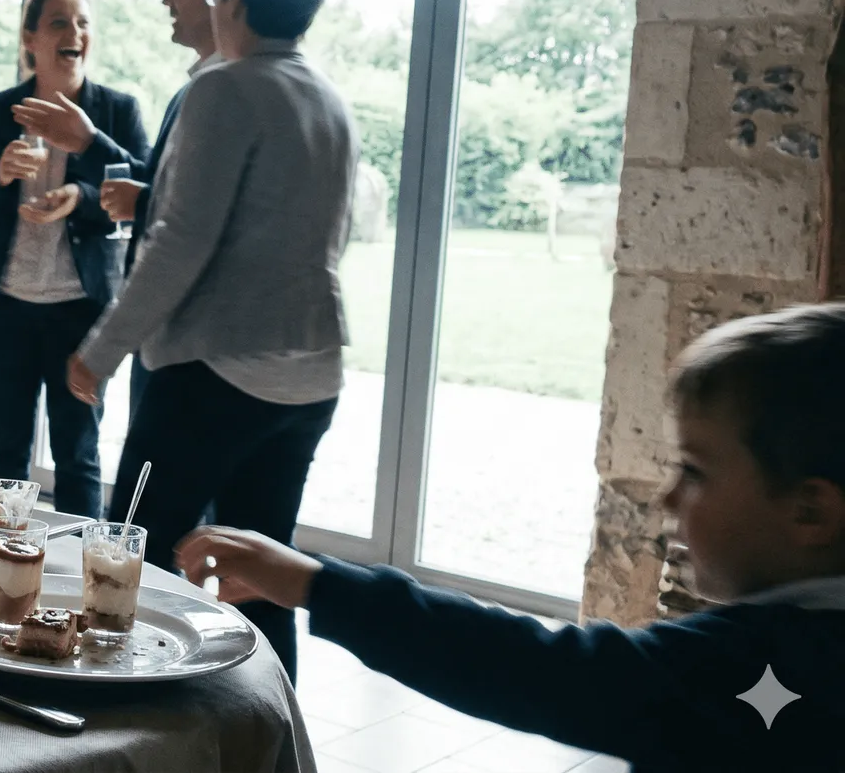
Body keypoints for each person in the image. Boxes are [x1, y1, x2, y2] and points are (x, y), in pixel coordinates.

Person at [178, 303, 845, 770]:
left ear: (810, 511)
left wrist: (313, 582)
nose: (669, 496)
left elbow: (540, 668)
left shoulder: (753, 663)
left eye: (694, 470)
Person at [67, 0, 355, 680]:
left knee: (127, 557)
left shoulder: (223, 87)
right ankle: (269, 745)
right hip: (309, 379)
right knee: (263, 579)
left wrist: (100, 348)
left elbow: (180, 241)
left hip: (214, 374)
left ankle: (106, 728)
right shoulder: (329, 98)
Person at [0, 0, 148, 520]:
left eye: (83, 23)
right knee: (5, 452)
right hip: (5, 307)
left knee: (78, 456)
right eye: (60, 22)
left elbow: (147, 189)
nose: (75, 33)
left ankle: (81, 582)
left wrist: (79, 197)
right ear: (30, 39)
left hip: (82, 313)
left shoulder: (117, 110)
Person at [96, 0, 240, 414]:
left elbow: (197, 227)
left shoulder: (227, 93)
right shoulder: (195, 88)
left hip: (193, 348)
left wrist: (102, 351)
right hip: (167, 339)